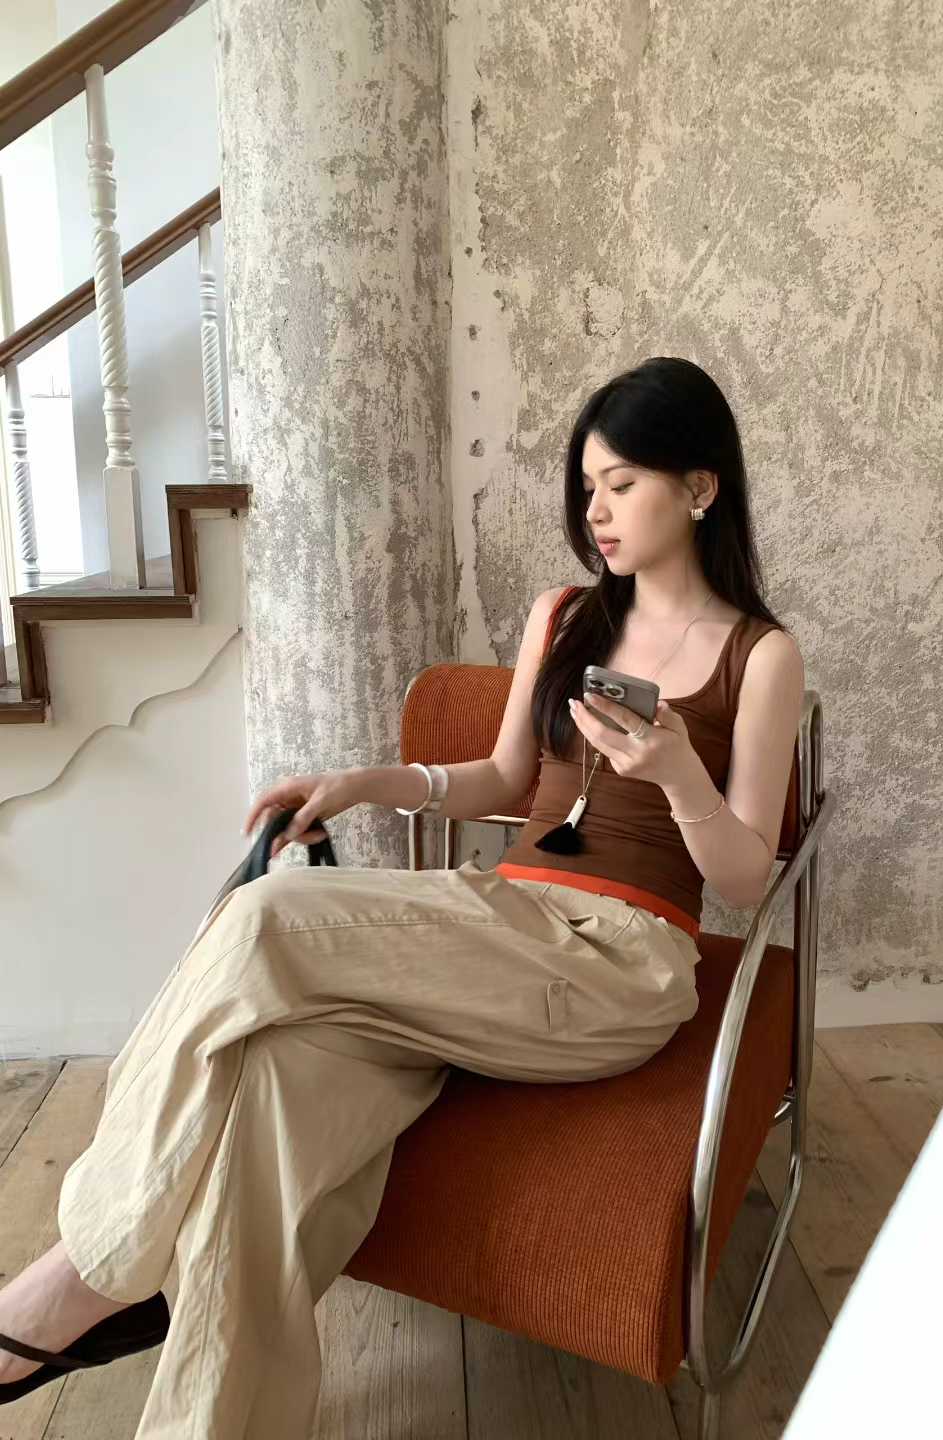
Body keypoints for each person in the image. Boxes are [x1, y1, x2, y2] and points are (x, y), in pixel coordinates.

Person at [0, 356, 805, 1437]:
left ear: (700, 487)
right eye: (587, 488)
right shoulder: (565, 616)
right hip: (498, 923)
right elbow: (504, 781)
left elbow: (745, 876)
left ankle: (80, 1275)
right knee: (273, 1091)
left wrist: (676, 776)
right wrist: (362, 782)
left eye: (621, 484)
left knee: (264, 917)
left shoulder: (761, 654)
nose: (596, 511)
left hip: (618, 963)